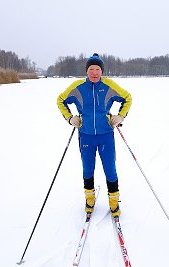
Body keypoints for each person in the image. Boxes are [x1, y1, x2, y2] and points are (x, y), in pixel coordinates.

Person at [57, 53, 132, 217]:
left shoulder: (109, 85)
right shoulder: (78, 87)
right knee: (87, 169)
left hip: (106, 135)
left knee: (110, 170)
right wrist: (70, 118)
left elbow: (127, 98)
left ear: (102, 71)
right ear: (87, 71)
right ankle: (89, 200)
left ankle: (114, 203)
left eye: (98, 69)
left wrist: (121, 116)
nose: (94, 72)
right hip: (86, 136)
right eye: (91, 69)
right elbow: (61, 100)